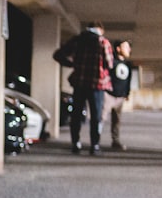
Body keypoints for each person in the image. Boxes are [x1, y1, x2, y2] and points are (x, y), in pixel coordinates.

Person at [53, 22, 114, 155]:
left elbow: (58, 55)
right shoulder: (103, 42)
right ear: (100, 30)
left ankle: (76, 143)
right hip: (97, 84)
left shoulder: (77, 40)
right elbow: (109, 63)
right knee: (96, 116)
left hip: (79, 83)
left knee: (76, 115)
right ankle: (94, 145)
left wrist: (73, 64)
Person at [103, 39, 132, 150]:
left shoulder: (128, 64)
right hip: (109, 94)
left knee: (117, 121)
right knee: (101, 118)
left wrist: (127, 93)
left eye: (129, 47)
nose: (128, 49)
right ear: (118, 49)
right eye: (125, 47)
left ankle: (116, 141)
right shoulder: (112, 62)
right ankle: (95, 141)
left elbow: (128, 80)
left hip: (120, 96)